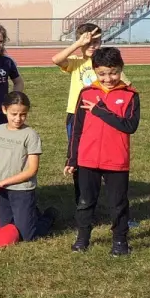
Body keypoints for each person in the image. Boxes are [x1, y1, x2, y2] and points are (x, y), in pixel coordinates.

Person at [66, 47, 140, 256]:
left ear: (121, 69)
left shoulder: (130, 96)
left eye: (113, 72)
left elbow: (129, 126)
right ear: (95, 72)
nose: (108, 78)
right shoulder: (86, 93)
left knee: (118, 204)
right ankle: (82, 238)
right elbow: (77, 130)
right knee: (85, 201)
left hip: (116, 160)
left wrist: (99, 111)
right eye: (102, 74)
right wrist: (72, 158)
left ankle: (119, 241)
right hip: (87, 159)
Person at [51, 23, 113, 205]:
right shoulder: (77, 63)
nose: (92, 46)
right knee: (77, 155)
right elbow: (56, 59)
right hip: (76, 115)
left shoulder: (105, 65)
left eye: (97, 42)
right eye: (88, 42)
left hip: (100, 115)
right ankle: (82, 200)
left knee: (103, 153)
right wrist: (79, 44)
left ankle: (107, 195)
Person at [0, 92, 56, 241]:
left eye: (23, 114)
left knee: (27, 236)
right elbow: (4, 155)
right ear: (4, 109)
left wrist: (2, 182)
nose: (18, 119)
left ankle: (48, 217)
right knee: (3, 229)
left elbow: (32, 170)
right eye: (14, 114)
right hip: (2, 190)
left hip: (22, 189)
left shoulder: (30, 135)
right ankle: (30, 212)